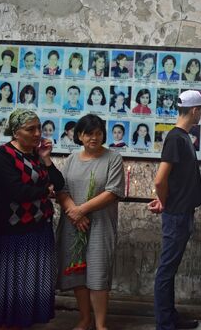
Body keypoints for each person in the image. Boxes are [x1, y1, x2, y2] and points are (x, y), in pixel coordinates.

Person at [0, 109, 64, 329]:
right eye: (31, 129)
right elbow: (15, 191)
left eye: (39, 128)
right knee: (13, 280)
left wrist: (46, 159)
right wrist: (44, 190)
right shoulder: (3, 155)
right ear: (15, 131)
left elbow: (58, 183)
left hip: (39, 226)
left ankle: (25, 321)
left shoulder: (35, 155)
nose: (38, 133)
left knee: (32, 280)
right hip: (14, 229)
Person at [148, 90, 201, 330]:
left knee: (170, 269)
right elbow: (159, 180)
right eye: (200, 112)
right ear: (195, 110)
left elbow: (170, 180)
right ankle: (165, 323)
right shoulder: (176, 138)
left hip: (182, 212)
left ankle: (170, 317)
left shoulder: (183, 137)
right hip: (176, 214)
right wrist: (163, 202)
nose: (200, 116)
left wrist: (164, 199)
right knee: (166, 270)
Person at [57, 114, 124, 330]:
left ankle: (100, 323)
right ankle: (85, 319)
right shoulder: (71, 160)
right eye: (88, 134)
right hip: (73, 224)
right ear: (79, 136)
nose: (94, 138)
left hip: (100, 225)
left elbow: (112, 191)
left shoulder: (113, 158)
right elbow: (62, 190)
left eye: (98, 133)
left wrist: (81, 211)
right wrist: (74, 214)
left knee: (98, 271)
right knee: (78, 273)